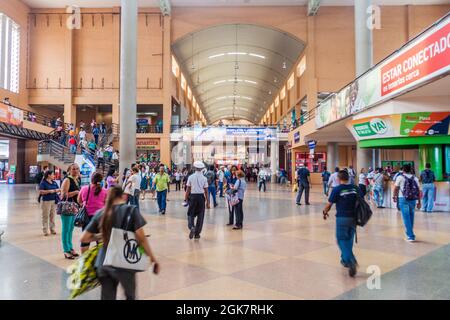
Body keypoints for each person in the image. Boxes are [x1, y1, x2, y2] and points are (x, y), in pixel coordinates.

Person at [80, 187, 160, 300]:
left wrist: (102, 235)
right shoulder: (131, 211)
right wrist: (153, 258)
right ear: (123, 196)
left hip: (103, 262)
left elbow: (84, 238)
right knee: (130, 296)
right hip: (124, 264)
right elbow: (141, 238)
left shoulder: (101, 212)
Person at [322, 170, 363, 277]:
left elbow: (329, 204)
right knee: (349, 240)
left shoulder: (337, 189)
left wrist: (325, 212)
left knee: (341, 240)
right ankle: (345, 260)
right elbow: (362, 201)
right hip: (354, 218)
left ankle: (351, 261)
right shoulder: (355, 188)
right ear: (348, 178)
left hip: (342, 218)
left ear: (338, 179)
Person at [78, 173, 107, 253]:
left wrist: (85, 203)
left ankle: (83, 259)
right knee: (100, 240)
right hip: (100, 217)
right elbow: (106, 203)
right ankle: (100, 259)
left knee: (85, 241)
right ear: (101, 180)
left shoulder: (84, 189)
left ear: (91, 179)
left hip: (86, 217)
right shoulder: (104, 191)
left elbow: (79, 200)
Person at [393, 164, 421, 242]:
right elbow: (418, 191)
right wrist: (419, 202)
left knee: (406, 218)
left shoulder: (400, 177)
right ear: (410, 170)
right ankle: (409, 233)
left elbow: (395, 188)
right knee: (411, 217)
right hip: (413, 200)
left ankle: (410, 236)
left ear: (403, 170)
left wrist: (394, 197)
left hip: (403, 199)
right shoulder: (415, 178)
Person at [60, 164, 81, 260]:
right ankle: (66, 250)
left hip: (74, 207)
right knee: (66, 229)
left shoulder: (77, 180)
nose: (76, 171)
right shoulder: (67, 180)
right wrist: (76, 192)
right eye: (73, 169)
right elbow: (63, 195)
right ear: (69, 170)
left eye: (77, 169)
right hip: (67, 206)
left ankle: (70, 248)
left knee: (71, 229)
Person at [185, 161, 209, 240]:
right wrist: (208, 202)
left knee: (190, 214)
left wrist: (185, 198)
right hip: (201, 198)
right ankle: (197, 234)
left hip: (193, 197)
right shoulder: (204, 178)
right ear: (202, 169)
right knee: (200, 215)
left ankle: (192, 227)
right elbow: (206, 191)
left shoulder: (190, 177)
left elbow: (188, 189)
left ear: (194, 168)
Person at [39, 170, 60, 236]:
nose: (54, 175)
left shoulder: (54, 182)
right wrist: (49, 191)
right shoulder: (43, 182)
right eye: (53, 174)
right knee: (45, 216)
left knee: (52, 216)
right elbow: (41, 191)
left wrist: (56, 190)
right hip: (46, 201)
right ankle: (45, 230)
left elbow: (59, 189)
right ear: (49, 175)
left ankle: (52, 229)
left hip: (53, 201)